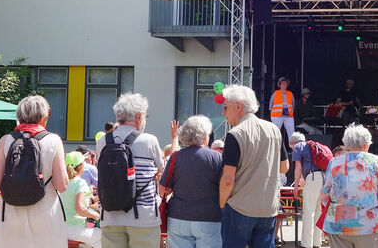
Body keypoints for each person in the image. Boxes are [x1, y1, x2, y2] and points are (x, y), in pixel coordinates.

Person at [0, 95, 68, 247]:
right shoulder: (53, 140)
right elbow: (61, 185)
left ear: (19, 116)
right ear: (44, 116)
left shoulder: (5, 140)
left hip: (10, 214)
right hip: (45, 213)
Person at [218, 84, 289, 248]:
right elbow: (284, 168)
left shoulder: (235, 134)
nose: (223, 112)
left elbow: (228, 180)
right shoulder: (274, 130)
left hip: (239, 209)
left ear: (238, 106)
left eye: (225, 107)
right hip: (268, 209)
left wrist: (222, 204)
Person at [91, 93, 164, 248]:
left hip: (110, 216)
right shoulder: (149, 140)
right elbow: (160, 170)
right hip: (143, 217)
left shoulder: (103, 141)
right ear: (138, 117)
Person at [319, 124, 378, 248]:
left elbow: (325, 194)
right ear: (366, 144)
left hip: (338, 225)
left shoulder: (334, 162)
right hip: (368, 224)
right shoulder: (375, 161)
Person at [160, 115, 224, 248]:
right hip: (209, 217)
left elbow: (162, 190)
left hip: (178, 217)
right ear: (205, 136)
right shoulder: (216, 157)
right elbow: (224, 186)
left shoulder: (176, 156)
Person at [290, 132, 324, 247]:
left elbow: (298, 167)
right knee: (319, 212)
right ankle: (316, 243)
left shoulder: (298, 147)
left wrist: (295, 187)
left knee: (308, 212)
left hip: (313, 177)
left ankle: (306, 244)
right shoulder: (313, 146)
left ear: (293, 143)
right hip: (324, 178)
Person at [60, 151, 102, 247]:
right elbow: (80, 209)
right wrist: (95, 215)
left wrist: (91, 200)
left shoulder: (62, 182)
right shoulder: (80, 183)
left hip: (60, 229)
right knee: (104, 237)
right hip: (75, 230)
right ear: (81, 166)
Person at [269, 77, 296, 146]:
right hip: (277, 116)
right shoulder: (275, 93)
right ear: (279, 85)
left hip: (288, 116)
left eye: (285, 83)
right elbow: (271, 105)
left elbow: (293, 105)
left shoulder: (290, 94)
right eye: (282, 84)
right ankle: (274, 147)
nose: (284, 85)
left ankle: (293, 148)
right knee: (275, 132)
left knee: (291, 132)